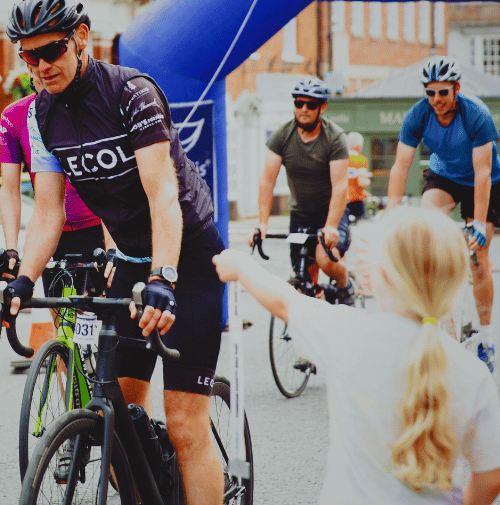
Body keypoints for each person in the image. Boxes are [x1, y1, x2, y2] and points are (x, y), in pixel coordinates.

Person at [0, 0, 226, 504]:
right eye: (28, 56)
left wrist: (163, 277)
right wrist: (22, 280)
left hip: (185, 262)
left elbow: (162, 194)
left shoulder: (131, 93)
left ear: (81, 38)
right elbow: (48, 211)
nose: (39, 66)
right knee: (116, 420)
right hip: (128, 261)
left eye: (50, 51)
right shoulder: (39, 115)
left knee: (187, 426)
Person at [214, 206, 500, 504]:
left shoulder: (348, 333)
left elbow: (284, 301)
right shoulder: (471, 370)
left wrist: (239, 266)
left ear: (383, 276)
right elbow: (491, 473)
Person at [387, 55, 498, 373]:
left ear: (456, 89)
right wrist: (392, 213)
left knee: (479, 260)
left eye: (443, 93)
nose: (436, 100)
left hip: (485, 182)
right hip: (445, 176)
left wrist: (477, 222)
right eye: (430, 93)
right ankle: (439, 327)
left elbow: (483, 172)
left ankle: (487, 340)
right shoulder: (418, 115)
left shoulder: (475, 114)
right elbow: (401, 165)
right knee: (429, 225)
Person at [0, 65, 113, 307]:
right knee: (63, 327)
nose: (42, 70)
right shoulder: (14, 116)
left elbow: (110, 185)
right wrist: (11, 250)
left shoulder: (84, 109)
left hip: (97, 229)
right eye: (34, 64)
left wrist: (112, 248)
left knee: (109, 320)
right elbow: (10, 190)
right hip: (52, 235)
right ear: (29, 70)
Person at [250, 77, 355, 306]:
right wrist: (262, 223)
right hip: (301, 214)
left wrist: (331, 225)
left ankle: (346, 286)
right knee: (303, 281)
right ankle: (316, 308)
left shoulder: (334, 137)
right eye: (299, 104)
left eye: (311, 104)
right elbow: (267, 181)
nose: (304, 109)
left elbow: (340, 186)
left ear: (322, 107)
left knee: (324, 259)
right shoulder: (282, 135)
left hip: (330, 212)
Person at [346, 131, 372, 222]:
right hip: (356, 202)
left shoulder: (341, 158)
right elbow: (361, 182)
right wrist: (369, 180)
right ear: (359, 146)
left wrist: (364, 192)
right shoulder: (360, 160)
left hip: (343, 199)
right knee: (361, 226)